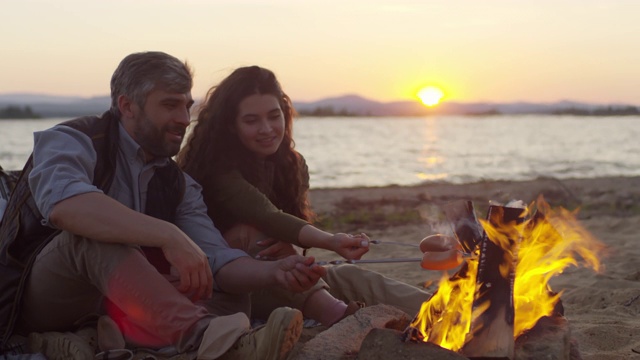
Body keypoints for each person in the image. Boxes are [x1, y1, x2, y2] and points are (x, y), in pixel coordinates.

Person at [0, 52, 326, 360]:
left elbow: (218, 259)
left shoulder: (177, 183)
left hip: (119, 301)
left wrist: (273, 272)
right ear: (127, 105)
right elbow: (66, 206)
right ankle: (205, 336)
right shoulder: (73, 139)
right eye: (170, 105)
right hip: (38, 295)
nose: (184, 119)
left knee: (226, 291)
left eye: (187, 106)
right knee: (91, 236)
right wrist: (168, 235)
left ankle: (90, 337)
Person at [176, 66, 434, 325]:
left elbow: (293, 230)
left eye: (273, 116)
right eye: (251, 120)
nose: (266, 128)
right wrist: (332, 241)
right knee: (250, 235)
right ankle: (341, 316)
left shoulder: (293, 166)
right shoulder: (217, 170)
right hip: (230, 288)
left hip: (286, 276)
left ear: (285, 114)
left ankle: (447, 314)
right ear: (231, 126)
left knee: (347, 276)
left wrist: (296, 247)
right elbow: (266, 215)